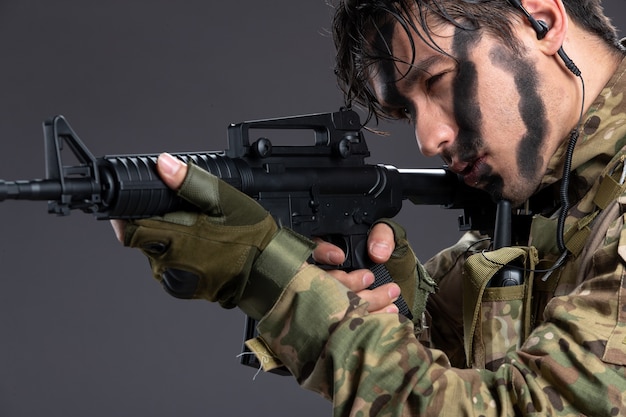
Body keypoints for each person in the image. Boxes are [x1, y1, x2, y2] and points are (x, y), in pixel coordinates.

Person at [112, 0, 626, 414]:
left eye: (439, 82)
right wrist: (396, 295)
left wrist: (278, 282)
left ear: (543, 21)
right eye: (406, 111)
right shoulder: (541, 200)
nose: (428, 139)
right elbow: (461, 377)